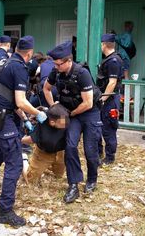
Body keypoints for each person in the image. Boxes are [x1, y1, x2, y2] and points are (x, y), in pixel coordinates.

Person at [0, 36, 47, 227]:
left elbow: (9, 98)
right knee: (15, 163)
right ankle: (5, 211)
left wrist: (25, 119)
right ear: (29, 54)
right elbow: (21, 101)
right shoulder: (19, 68)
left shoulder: (5, 62)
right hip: (2, 118)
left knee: (1, 150)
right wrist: (37, 114)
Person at [43, 41, 102, 203]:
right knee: (70, 146)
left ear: (68, 61)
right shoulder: (56, 72)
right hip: (72, 114)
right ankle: (73, 184)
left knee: (90, 150)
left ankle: (91, 179)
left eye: (58, 64)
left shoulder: (82, 74)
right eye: (54, 64)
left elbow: (88, 103)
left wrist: (70, 114)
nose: (55, 67)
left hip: (89, 113)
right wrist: (53, 106)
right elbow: (46, 89)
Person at [21, 103, 70, 184]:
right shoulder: (42, 122)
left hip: (61, 152)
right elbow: (31, 139)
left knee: (59, 175)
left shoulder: (63, 116)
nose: (65, 124)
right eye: (62, 123)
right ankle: (24, 160)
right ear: (52, 122)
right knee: (30, 180)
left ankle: (50, 167)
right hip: (43, 153)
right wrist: (19, 140)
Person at [97, 34, 123, 165]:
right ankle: (100, 152)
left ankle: (110, 157)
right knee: (102, 126)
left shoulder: (113, 61)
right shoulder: (109, 59)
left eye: (101, 43)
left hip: (110, 99)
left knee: (109, 128)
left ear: (104, 44)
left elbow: (112, 83)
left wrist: (102, 99)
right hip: (108, 98)